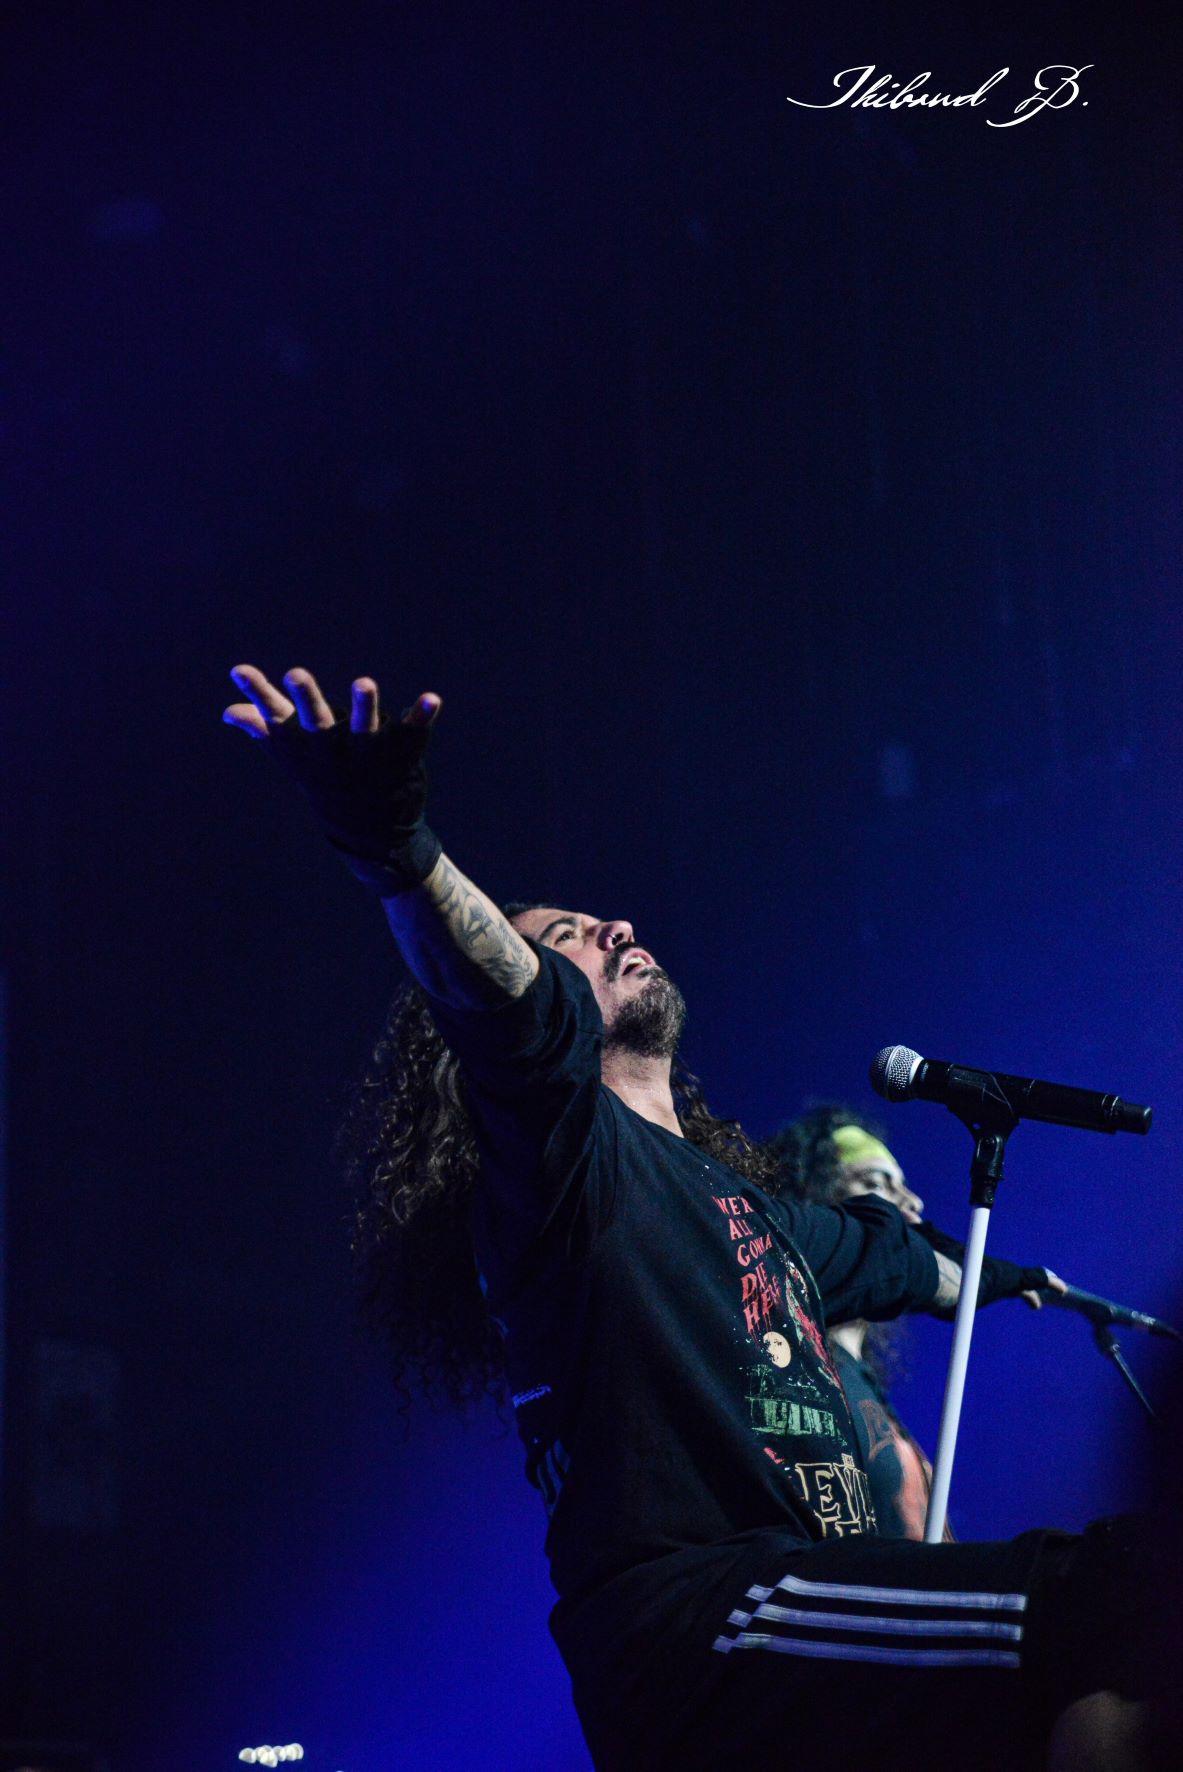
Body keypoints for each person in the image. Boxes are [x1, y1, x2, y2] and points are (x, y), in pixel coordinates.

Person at [223, 662, 1151, 1772]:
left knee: (1112, 1672)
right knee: (1116, 1588)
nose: (612, 925)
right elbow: (511, 1012)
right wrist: (395, 848)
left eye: (597, 917)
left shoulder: (750, 1213)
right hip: (708, 1625)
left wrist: (1025, 1281)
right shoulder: (566, 1166)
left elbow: (895, 1260)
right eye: (566, 933)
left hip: (807, 1622)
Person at [768, 1109, 1058, 1542]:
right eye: (876, 1183)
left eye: (902, 1184)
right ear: (813, 1200)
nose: (911, 1200)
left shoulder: (860, 1378)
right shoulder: (791, 1369)